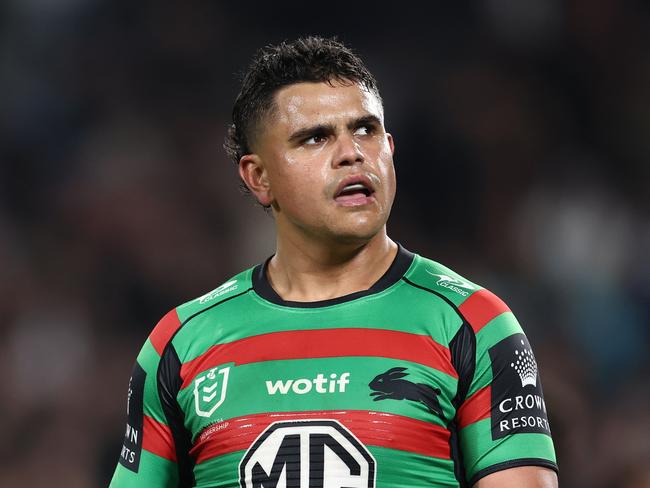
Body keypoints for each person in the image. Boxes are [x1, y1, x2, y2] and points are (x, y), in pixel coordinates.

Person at [109, 36, 559, 488]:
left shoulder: (475, 325)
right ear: (259, 177)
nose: (352, 152)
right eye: (316, 137)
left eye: (366, 129)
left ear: (391, 148)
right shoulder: (181, 344)